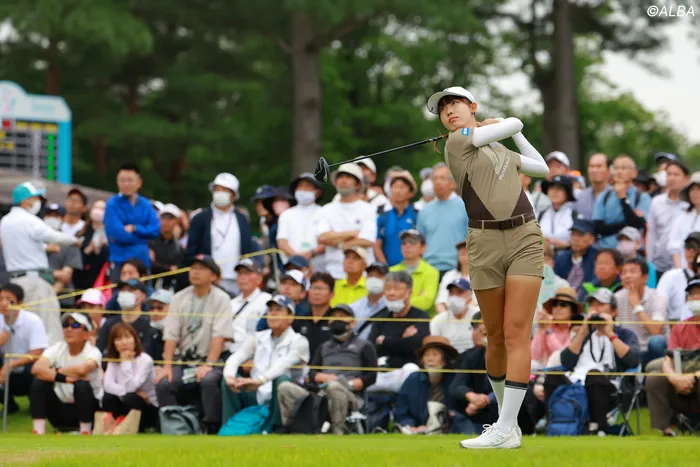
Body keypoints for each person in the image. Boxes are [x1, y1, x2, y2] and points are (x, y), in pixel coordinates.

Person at [427, 85, 548, 448]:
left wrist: (511, 132)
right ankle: (506, 424)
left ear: (472, 106)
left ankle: (506, 427)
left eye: (455, 104)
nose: (449, 111)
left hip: (524, 235)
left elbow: (540, 167)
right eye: (443, 109)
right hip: (483, 242)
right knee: (494, 336)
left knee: (515, 332)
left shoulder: (497, 147)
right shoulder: (455, 142)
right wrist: (499, 124)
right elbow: (512, 122)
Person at [0, 181, 82, 345]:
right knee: (49, 327)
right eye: (36, 199)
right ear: (25, 201)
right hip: (35, 282)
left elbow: (23, 245)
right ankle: (50, 360)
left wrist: (45, 248)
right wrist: (75, 240)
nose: (39, 203)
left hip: (16, 282)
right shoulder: (29, 220)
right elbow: (53, 236)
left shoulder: (5, 221)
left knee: (22, 329)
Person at [30, 312, 103, 435]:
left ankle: (85, 431)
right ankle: (38, 431)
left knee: (81, 385)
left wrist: (56, 370)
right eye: (66, 325)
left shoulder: (93, 352)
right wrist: (64, 378)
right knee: (39, 382)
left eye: (75, 325)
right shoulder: (58, 348)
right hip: (62, 409)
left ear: (87, 334)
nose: (69, 329)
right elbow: (36, 368)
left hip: (90, 409)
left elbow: (83, 369)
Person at [104, 163, 161, 282]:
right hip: (121, 263)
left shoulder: (146, 204)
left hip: (142, 263)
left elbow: (156, 230)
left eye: (130, 180)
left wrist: (136, 228)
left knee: (145, 292)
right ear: (117, 182)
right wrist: (144, 238)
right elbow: (117, 235)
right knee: (120, 293)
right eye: (122, 180)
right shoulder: (112, 205)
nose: (126, 184)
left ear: (139, 183)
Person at [0, 283, 48, 414]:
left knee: (36, 367)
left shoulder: (33, 321)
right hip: (5, 371)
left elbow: (37, 352)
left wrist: (11, 364)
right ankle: (9, 405)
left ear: (20, 303)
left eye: (9, 300)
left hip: (27, 369)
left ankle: (35, 403)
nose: (4, 304)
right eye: (0, 299)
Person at [102, 322, 159, 432]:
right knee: (108, 397)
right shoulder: (113, 361)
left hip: (147, 406)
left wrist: (126, 362)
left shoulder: (145, 360)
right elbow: (108, 385)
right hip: (126, 399)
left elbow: (131, 387)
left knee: (131, 397)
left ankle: (137, 429)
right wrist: (125, 391)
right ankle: (113, 427)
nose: (124, 342)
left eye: (127, 337)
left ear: (134, 339)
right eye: (119, 339)